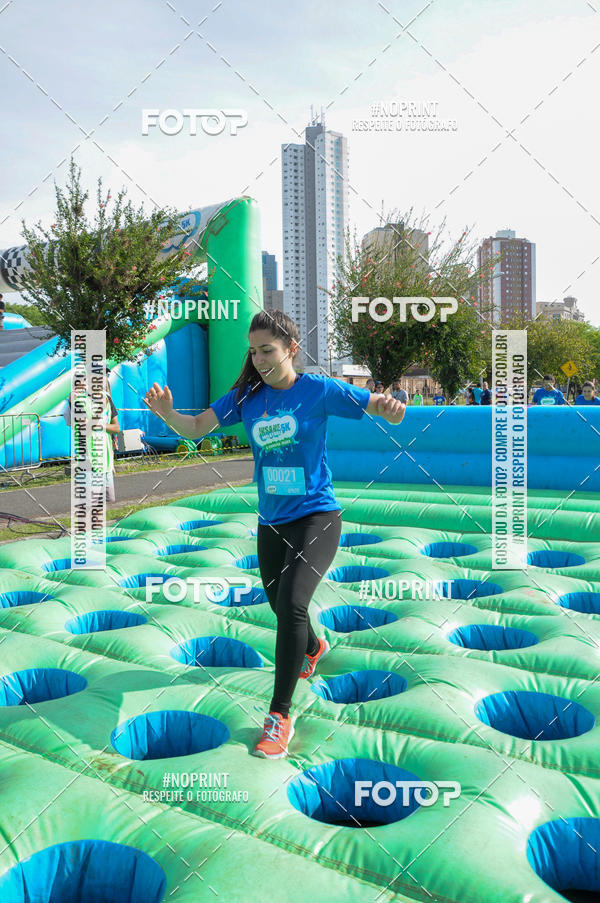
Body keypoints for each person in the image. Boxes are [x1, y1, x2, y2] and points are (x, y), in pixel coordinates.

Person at [144, 309, 406, 759]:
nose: (261, 359)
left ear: (291, 349)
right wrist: (168, 414)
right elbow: (194, 428)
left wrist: (390, 408)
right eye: (254, 351)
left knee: (291, 602)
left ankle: (279, 715)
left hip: (317, 516)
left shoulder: (318, 390)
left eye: (268, 350)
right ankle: (314, 646)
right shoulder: (246, 398)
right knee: (278, 604)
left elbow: (375, 406)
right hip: (271, 522)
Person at [63, 368, 120, 501]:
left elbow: (116, 428)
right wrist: (72, 402)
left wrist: (100, 427)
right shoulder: (80, 400)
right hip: (89, 457)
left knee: (108, 499)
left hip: (105, 458)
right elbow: (76, 424)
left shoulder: (107, 399)